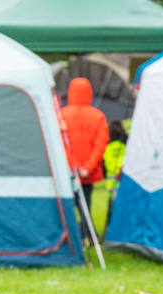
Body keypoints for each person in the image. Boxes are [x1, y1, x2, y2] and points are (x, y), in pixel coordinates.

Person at [62, 77, 109, 243]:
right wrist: (87, 167)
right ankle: (87, 235)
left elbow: (61, 144)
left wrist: (73, 166)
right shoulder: (98, 116)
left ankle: (74, 236)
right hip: (88, 173)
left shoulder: (61, 115)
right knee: (86, 203)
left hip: (68, 172)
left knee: (68, 205)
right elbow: (101, 143)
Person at [102, 119, 128, 235]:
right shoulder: (126, 145)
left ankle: (109, 230)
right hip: (123, 180)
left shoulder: (107, 145)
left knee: (111, 207)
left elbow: (104, 164)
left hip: (110, 181)